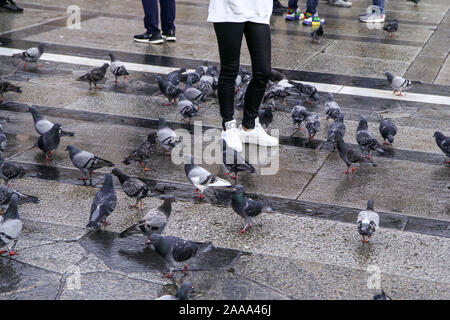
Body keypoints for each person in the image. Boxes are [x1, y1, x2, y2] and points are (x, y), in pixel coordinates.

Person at [208, 0, 279, 152]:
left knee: (263, 72)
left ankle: (249, 126)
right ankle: (228, 127)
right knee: (230, 70)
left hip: (259, 8)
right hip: (228, 9)